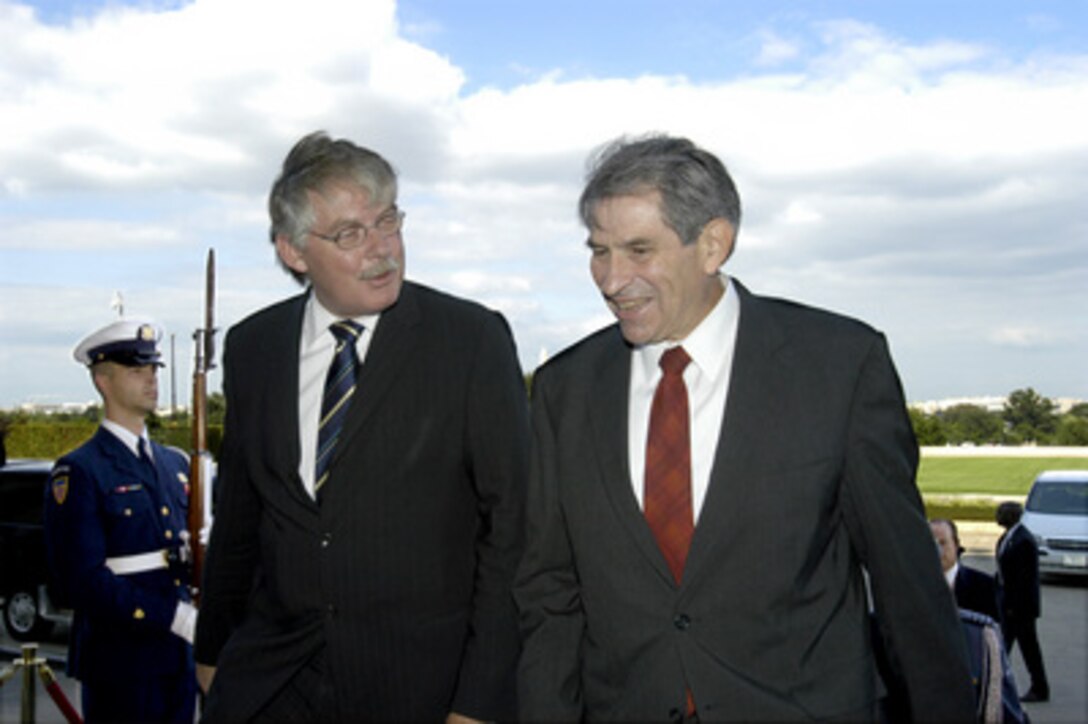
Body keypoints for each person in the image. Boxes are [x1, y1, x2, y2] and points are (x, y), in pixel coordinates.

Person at [515, 134, 976, 721]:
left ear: (713, 244)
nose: (609, 279)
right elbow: (550, 591)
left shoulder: (839, 365)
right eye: (599, 251)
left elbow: (905, 582)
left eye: (638, 250)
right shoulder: (565, 389)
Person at [193, 131, 529, 723]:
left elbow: (511, 532)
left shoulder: (471, 340)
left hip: (420, 690)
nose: (384, 250)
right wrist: (213, 651)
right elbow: (241, 516)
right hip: (271, 683)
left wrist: (479, 702)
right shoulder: (254, 348)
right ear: (294, 251)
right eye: (351, 234)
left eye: (389, 221)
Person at [43, 317, 197, 723]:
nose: (150, 379)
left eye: (152, 369)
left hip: (177, 656)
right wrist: (170, 616)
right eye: (135, 370)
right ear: (102, 381)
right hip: (120, 661)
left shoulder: (174, 464)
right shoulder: (80, 470)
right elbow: (79, 580)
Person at [995, 501, 1050, 703]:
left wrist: (1012, 606)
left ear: (1012, 517)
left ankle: (1039, 687)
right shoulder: (1008, 538)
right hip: (1008, 604)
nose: (997, 517)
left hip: (1020, 608)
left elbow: (1023, 580)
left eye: (1001, 513)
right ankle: (998, 684)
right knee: (1003, 646)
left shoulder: (1023, 541)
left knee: (1025, 648)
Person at [931, 518, 1002, 621]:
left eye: (943, 543)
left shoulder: (985, 587)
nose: (938, 551)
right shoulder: (912, 588)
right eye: (931, 544)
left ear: (956, 545)